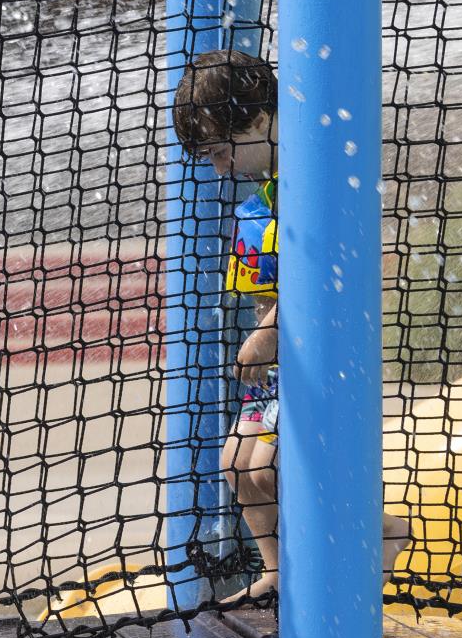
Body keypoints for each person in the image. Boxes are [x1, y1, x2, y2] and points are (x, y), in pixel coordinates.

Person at [171, 48, 410, 599]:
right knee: (237, 463)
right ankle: (278, 570)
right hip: (284, 360)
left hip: (324, 356)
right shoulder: (267, 199)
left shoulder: (312, 180)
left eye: (220, 150)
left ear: (257, 118)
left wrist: (267, 335)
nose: (218, 167)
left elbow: (324, 273)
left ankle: (381, 531)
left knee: (277, 465)